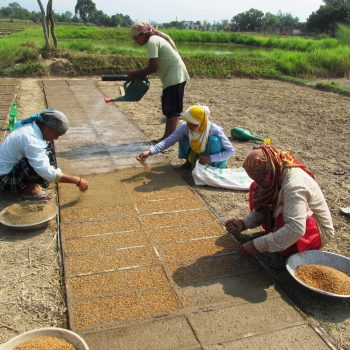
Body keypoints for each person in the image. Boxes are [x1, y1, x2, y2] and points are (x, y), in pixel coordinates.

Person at [225, 145, 334, 257]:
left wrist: (256, 246)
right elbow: (264, 206)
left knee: (283, 213)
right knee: (257, 190)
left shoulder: (295, 186)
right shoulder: (276, 171)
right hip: (295, 222)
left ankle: (285, 253)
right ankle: (275, 236)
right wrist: (243, 223)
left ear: (269, 170)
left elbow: (295, 229)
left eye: (261, 179)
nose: (259, 183)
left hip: (315, 233)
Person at [0, 109, 88, 199]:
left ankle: (30, 185)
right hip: (4, 179)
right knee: (38, 163)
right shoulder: (32, 140)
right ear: (46, 127)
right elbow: (46, 172)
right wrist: (77, 181)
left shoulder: (32, 126)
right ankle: (30, 191)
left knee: (47, 149)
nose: (57, 138)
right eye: (56, 134)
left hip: (7, 169)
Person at [128, 22, 190, 142]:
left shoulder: (152, 42)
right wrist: (140, 73)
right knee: (169, 109)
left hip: (175, 76)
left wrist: (135, 73)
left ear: (143, 34)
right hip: (174, 76)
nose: (135, 41)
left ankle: (168, 140)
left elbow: (153, 67)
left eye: (136, 38)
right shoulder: (155, 39)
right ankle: (167, 138)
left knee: (172, 110)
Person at [137, 104, 235, 169]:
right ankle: (189, 163)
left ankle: (214, 168)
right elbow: (169, 141)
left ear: (201, 122)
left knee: (214, 140)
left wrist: (210, 158)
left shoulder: (214, 130)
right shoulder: (185, 126)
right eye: (188, 123)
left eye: (193, 124)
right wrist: (150, 151)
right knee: (183, 136)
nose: (189, 126)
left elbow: (230, 151)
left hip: (214, 158)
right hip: (200, 154)